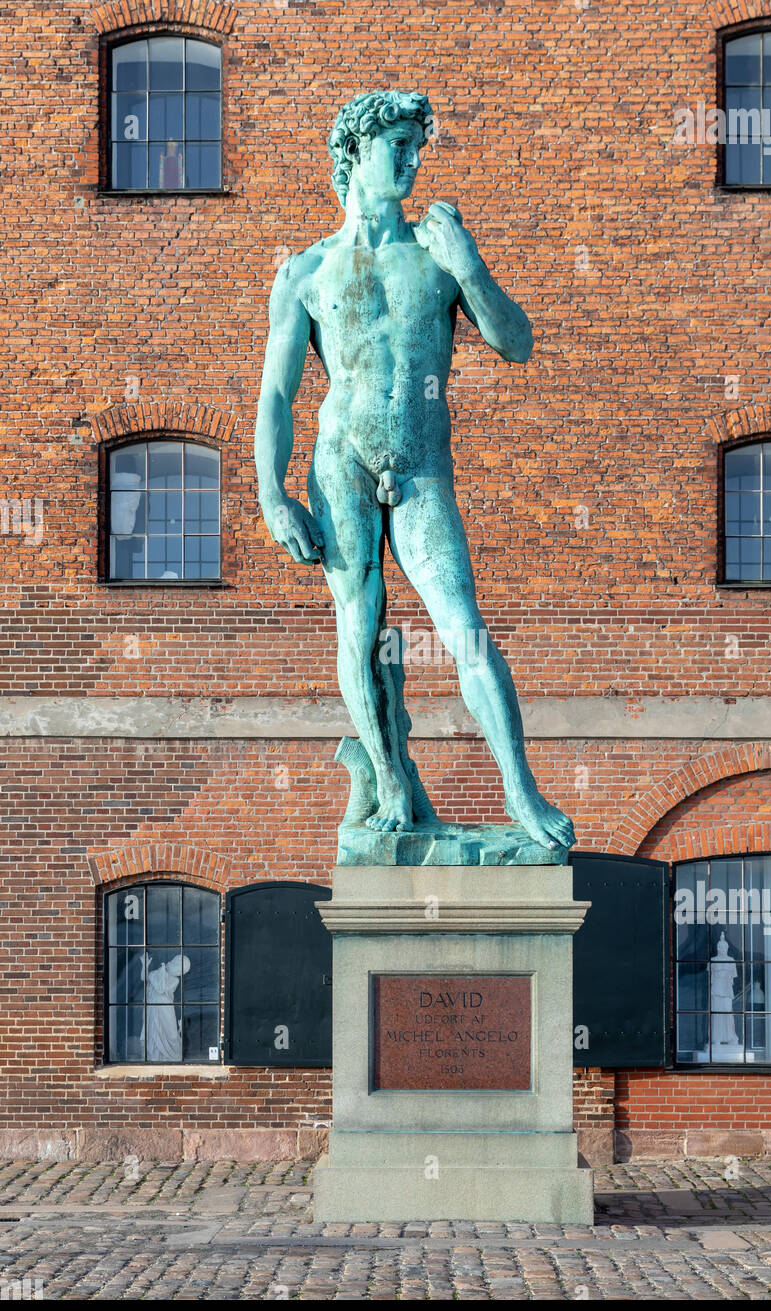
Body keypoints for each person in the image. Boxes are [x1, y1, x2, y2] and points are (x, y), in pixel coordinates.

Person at [255, 90, 574, 850]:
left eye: (416, 146)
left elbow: (517, 341)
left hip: (423, 468)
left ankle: (521, 794)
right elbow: (277, 390)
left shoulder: (438, 252)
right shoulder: (307, 271)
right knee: (360, 628)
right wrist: (270, 494)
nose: (412, 159)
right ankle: (392, 782)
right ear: (354, 154)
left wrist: (471, 266)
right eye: (397, 144)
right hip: (342, 465)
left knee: (463, 629)